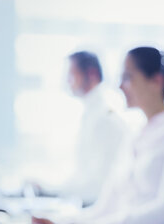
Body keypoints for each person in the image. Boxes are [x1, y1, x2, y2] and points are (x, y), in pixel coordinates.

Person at [32, 47, 164, 224]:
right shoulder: (136, 135)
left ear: (157, 81)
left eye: (127, 77)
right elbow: (107, 206)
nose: (119, 86)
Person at [42, 51, 129, 205]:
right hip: (88, 202)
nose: (67, 82)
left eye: (71, 75)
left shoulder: (104, 118)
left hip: (96, 205)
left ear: (92, 74)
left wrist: (52, 190)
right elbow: (83, 172)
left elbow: (98, 182)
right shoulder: (92, 113)